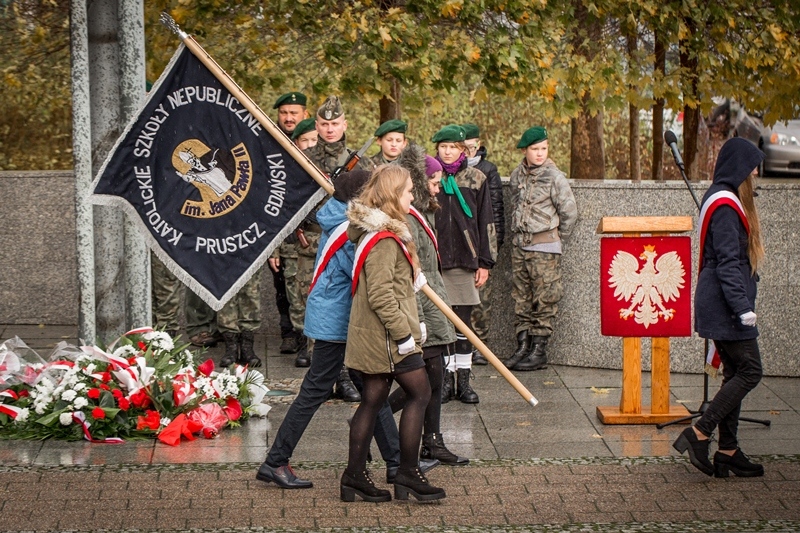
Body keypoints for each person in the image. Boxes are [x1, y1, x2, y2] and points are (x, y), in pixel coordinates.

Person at [257, 170, 431, 489]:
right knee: (319, 390)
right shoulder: (351, 227)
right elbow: (369, 275)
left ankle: (396, 462)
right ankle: (276, 461)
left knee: (373, 388)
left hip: (339, 315)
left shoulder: (346, 218)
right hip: (336, 319)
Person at [343, 164, 445, 502]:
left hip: (379, 335)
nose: (413, 197)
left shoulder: (382, 233)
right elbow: (381, 296)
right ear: (392, 195)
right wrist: (405, 334)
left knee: (373, 401)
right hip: (387, 338)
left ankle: (354, 476)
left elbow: (393, 288)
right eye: (408, 191)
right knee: (421, 392)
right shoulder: (384, 240)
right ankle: (407, 472)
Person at [673, 137, 765, 478]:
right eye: (752, 167)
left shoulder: (721, 197)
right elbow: (727, 263)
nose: (756, 173)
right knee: (751, 371)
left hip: (720, 302)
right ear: (740, 168)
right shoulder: (725, 205)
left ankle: (728, 450)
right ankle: (700, 431)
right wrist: (742, 308)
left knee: (734, 372)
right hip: (726, 305)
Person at [389, 145, 469, 466]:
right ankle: (375, 417)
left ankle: (432, 440)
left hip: (433, 304)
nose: (438, 188)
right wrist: (420, 319)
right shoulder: (407, 219)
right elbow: (411, 273)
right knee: (428, 379)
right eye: (434, 183)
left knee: (435, 375)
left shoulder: (423, 214)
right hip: (421, 308)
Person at [302, 96, 374, 401]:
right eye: (324, 124)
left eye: (335, 123)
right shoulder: (303, 159)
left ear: (344, 124)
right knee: (315, 304)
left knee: (345, 307)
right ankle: (321, 372)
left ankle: (344, 375)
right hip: (311, 242)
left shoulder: (361, 164)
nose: (330, 129)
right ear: (316, 125)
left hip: (346, 242)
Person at [433, 124, 496, 404]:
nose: (448, 152)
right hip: (438, 261)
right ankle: (446, 380)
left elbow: (486, 221)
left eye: (453, 147)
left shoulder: (476, 178)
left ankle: (464, 381)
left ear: (463, 150)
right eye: (443, 146)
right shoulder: (431, 177)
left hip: (465, 260)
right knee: (444, 324)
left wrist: (485, 262)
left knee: (464, 324)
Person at [504, 126, 577, 372]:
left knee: (545, 297)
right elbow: (515, 204)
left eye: (543, 148)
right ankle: (523, 346)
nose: (539, 153)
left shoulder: (554, 177)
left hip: (545, 246)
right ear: (525, 150)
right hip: (520, 245)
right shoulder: (517, 175)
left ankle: (539, 350)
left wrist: (556, 238)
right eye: (534, 149)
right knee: (521, 297)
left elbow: (569, 212)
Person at [270, 91, 310, 355]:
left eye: (294, 113)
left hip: (308, 231)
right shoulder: (271, 141)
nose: (288, 117)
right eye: (284, 112)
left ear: (305, 114)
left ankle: (304, 336)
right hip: (280, 227)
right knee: (282, 285)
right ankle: (288, 332)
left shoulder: (313, 142)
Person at [462, 123, 505, 365]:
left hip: (481, 244)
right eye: (463, 147)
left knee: (480, 300)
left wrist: (492, 249)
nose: (467, 152)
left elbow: (495, 211)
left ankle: (480, 345)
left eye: (471, 147)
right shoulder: (446, 171)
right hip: (459, 244)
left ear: (478, 145)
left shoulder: (488, 170)